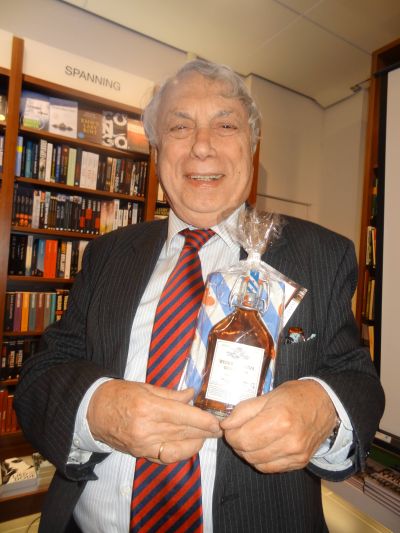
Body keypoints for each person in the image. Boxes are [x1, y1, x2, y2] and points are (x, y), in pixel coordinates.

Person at [15, 59, 384, 533]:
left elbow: (358, 381)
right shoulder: (107, 254)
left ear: (252, 146)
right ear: (156, 151)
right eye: (180, 126)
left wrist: (324, 406)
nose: (202, 146)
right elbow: (43, 372)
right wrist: (98, 410)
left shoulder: (321, 255)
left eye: (225, 125)